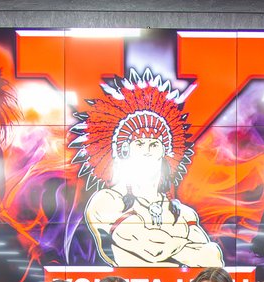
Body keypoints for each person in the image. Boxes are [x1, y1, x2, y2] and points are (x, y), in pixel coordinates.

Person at [72, 69, 223, 268]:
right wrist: (184, 242)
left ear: (164, 151)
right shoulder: (107, 201)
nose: (147, 152)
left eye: (154, 145)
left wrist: (169, 246)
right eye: (139, 144)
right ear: (124, 151)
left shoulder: (184, 213)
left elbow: (212, 258)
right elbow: (151, 249)